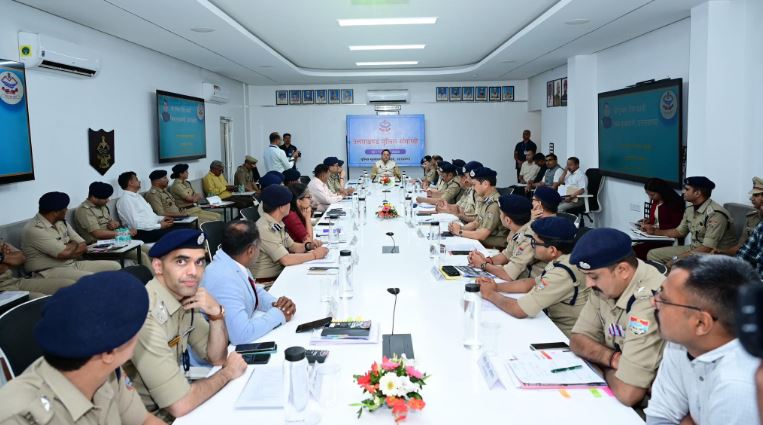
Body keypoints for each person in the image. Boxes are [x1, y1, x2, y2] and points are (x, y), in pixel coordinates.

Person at [0, 271, 165, 425]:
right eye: (134, 329)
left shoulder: (107, 371)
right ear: (109, 352)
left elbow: (143, 420)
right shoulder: (18, 417)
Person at [123, 229, 247, 420]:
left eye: (199, 262)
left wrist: (216, 314)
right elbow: (179, 405)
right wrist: (227, 373)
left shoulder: (184, 298)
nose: (194, 272)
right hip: (151, 417)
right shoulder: (145, 316)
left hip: (175, 406)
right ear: (158, 266)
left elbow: (216, 357)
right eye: (181, 261)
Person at [644, 256, 760, 425]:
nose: (653, 302)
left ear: (701, 323)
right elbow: (660, 417)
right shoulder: (682, 343)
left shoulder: (739, 387)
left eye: (665, 299)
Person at [569, 228, 666, 406]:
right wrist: (613, 359)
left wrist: (600, 364)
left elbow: (628, 393)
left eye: (593, 276)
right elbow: (577, 339)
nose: (588, 284)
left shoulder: (649, 304)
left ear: (622, 270)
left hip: (648, 410)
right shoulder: (605, 286)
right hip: (617, 393)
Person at [477, 217, 589, 337]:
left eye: (535, 243)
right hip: (549, 324)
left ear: (552, 250)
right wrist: (496, 287)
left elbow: (519, 310)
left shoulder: (562, 272)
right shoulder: (563, 258)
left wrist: (490, 294)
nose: (532, 246)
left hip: (563, 335)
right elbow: (531, 283)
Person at [202, 220, 296, 345]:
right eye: (259, 247)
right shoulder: (223, 279)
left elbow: (253, 291)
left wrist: (275, 304)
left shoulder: (232, 260)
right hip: (219, 352)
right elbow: (241, 334)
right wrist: (279, 314)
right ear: (251, 251)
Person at [22, 192, 120, 281]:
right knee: (89, 278)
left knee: (115, 266)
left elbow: (83, 245)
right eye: (65, 208)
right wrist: (72, 245)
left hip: (71, 263)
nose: (67, 210)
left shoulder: (60, 222)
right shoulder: (34, 229)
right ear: (55, 212)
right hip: (48, 270)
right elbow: (64, 253)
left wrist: (69, 248)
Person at [646, 176, 737, 266]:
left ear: (697, 193)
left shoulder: (716, 214)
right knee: (652, 254)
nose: (683, 192)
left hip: (713, 256)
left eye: (687, 189)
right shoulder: (690, 209)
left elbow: (707, 248)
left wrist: (677, 259)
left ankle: (672, 274)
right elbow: (679, 232)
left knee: (676, 264)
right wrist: (654, 231)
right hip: (694, 249)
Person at [253, 185, 329, 285]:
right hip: (268, 283)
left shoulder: (276, 222)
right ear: (281, 207)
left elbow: (293, 246)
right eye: (288, 202)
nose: (290, 205)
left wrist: (308, 246)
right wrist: (314, 255)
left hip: (280, 276)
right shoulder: (265, 228)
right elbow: (286, 260)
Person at [468, 194, 544, 281]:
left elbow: (508, 275)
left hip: (533, 284)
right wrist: (487, 260)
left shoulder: (528, 238)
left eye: (500, 213)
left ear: (507, 220)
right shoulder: (520, 229)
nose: (500, 216)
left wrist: (482, 264)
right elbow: (506, 255)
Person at [74, 181, 151, 265]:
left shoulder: (102, 206)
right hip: (99, 246)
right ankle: (151, 273)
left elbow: (111, 222)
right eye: (105, 198)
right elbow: (98, 234)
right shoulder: (84, 211)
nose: (108, 200)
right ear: (94, 197)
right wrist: (124, 232)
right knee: (141, 255)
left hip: (115, 241)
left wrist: (115, 224)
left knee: (149, 250)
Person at [447, 167, 508, 249]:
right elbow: (476, 223)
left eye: (474, 185)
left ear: (485, 184)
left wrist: (459, 232)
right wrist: (459, 228)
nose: (472, 188)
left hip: (493, 247)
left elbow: (482, 235)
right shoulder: (486, 200)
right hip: (482, 241)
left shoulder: (494, 204)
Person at [116, 172, 176, 243]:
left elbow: (151, 215)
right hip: (143, 233)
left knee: (181, 228)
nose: (139, 181)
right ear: (130, 183)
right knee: (176, 234)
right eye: (136, 180)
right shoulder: (125, 200)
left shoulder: (138, 196)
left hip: (153, 228)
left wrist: (163, 218)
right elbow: (135, 225)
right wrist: (159, 226)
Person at [633, 178, 684, 260]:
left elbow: (676, 225)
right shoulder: (656, 201)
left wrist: (655, 227)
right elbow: (656, 218)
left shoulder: (675, 203)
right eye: (648, 194)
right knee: (632, 248)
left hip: (666, 237)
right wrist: (648, 221)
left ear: (661, 192)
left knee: (638, 251)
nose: (650, 197)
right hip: (654, 235)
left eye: (652, 195)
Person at [144, 170, 219, 225]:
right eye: (164, 178)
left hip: (181, 215)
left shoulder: (164, 191)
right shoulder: (153, 194)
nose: (167, 180)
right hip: (174, 220)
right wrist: (181, 215)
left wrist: (182, 214)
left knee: (216, 219)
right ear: (156, 181)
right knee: (208, 223)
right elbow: (160, 213)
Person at [0, 241, 74, 296]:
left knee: (69, 285)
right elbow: (2, 268)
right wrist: (7, 259)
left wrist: (2, 258)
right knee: (39, 300)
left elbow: (21, 257)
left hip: (13, 281)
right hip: (2, 289)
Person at [717, 176, 763, 256]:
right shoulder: (751, 217)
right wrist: (721, 252)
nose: (751, 199)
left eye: (756, 195)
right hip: (745, 257)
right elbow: (740, 246)